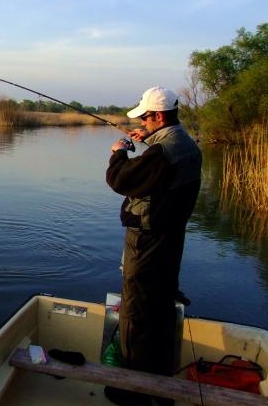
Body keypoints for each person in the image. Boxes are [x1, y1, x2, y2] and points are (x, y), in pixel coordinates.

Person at [105, 86, 202, 406]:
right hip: (171, 239)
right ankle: (159, 382)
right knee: (160, 306)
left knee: (136, 312)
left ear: (159, 116)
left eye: (146, 118)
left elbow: (121, 180)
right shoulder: (186, 144)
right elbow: (163, 169)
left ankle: (132, 389)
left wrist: (119, 151)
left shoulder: (162, 152)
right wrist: (148, 140)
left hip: (147, 242)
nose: (142, 123)